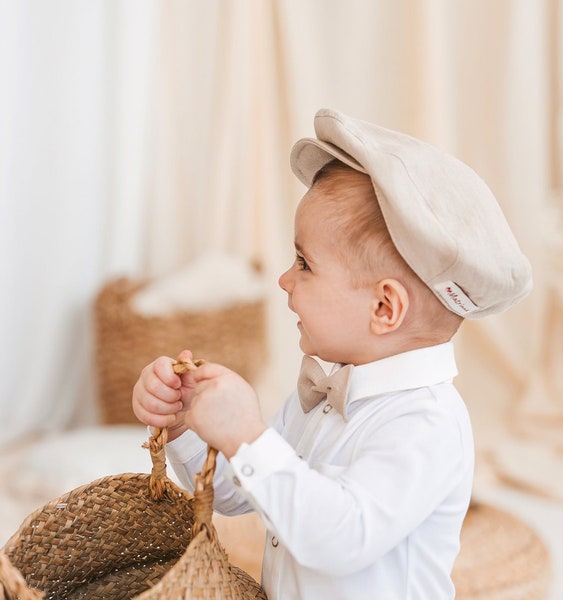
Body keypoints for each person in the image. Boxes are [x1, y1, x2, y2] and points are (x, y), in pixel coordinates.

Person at [132, 108, 532, 599]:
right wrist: (188, 425)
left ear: (385, 307)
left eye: (304, 264)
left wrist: (248, 435)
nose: (284, 279)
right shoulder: (325, 393)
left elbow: (339, 538)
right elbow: (239, 494)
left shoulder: (426, 424)